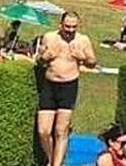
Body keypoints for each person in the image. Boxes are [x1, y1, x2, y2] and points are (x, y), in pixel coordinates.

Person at [37, 11, 97, 166]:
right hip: (49, 85)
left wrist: (82, 58)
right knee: (43, 131)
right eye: (67, 26)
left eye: (74, 27)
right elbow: (39, 61)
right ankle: (52, 160)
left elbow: (93, 62)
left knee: (60, 131)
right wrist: (46, 57)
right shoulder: (50, 37)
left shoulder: (83, 40)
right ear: (60, 25)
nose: (70, 30)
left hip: (69, 86)